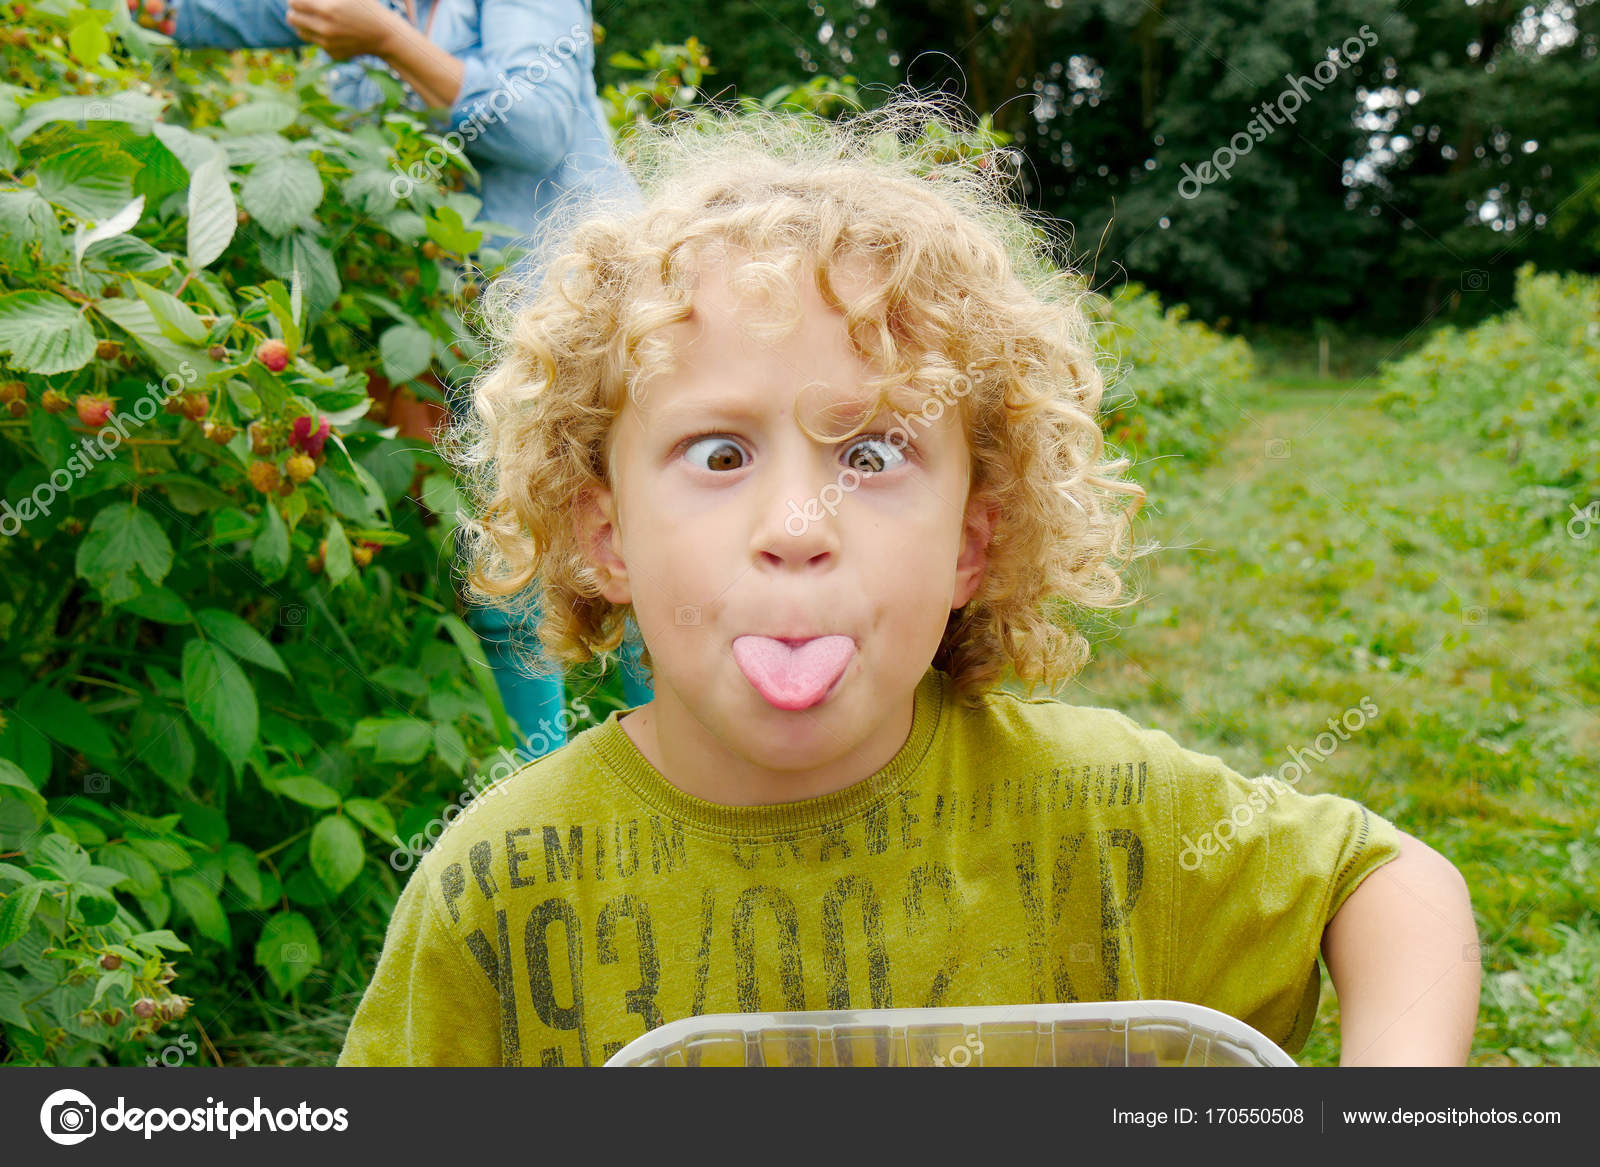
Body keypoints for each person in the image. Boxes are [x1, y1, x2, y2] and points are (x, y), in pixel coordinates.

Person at [334, 98, 1480, 1067]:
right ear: (606, 533)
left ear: (971, 544)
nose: (795, 527)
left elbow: (1387, 885)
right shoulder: (497, 889)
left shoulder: (1106, 817)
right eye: (720, 454)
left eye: (871, 457)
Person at [159, 0, 654, 754]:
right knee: (500, 565)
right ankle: (549, 794)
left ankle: (686, 776)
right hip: (454, 319)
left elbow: (536, 124)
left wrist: (388, 42)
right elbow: (251, 12)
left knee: (630, 548)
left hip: (584, 306)